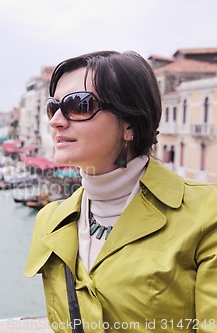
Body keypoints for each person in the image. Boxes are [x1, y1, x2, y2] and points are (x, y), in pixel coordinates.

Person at [24, 51, 217, 332]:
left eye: (78, 105)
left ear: (129, 123)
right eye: (53, 108)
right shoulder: (50, 220)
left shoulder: (207, 213)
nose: (56, 121)